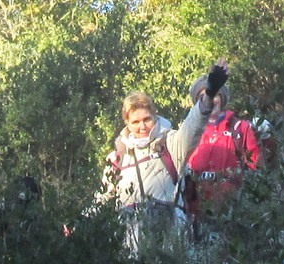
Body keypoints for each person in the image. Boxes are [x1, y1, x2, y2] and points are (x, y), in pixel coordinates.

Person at [102, 59, 229, 251]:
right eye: (135, 122)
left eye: (147, 119)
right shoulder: (118, 158)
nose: (142, 126)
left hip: (170, 241)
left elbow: (192, 127)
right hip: (131, 245)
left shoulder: (171, 144)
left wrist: (208, 96)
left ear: (155, 116)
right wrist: (77, 223)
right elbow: (103, 197)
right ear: (126, 123)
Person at [182, 75, 261, 235]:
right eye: (202, 97)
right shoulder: (190, 132)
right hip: (196, 212)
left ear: (222, 98)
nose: (210, 100)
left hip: (231, 210)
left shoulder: (240, 128)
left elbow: (256, 167)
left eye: (214, 95)